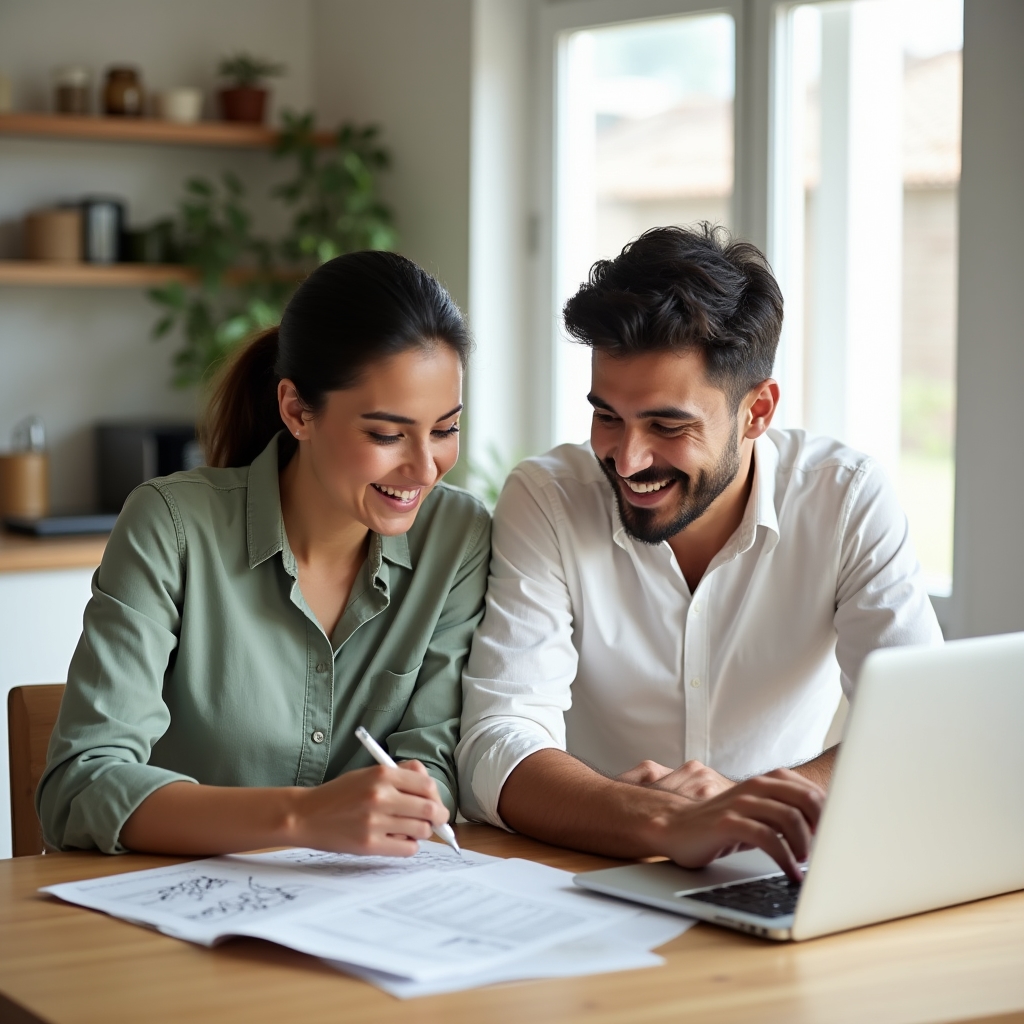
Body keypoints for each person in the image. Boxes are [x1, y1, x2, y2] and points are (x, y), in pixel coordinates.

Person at [457, 224, 942, 880]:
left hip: (777, 873)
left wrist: (748, 809)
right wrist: (669, 822)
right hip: (592, 874)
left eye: (667, 425)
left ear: (757, 412)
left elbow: (920, 728)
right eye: (607, 416)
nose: (627, 460)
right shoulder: (547, 499)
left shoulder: (844, 498)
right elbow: (496, 746)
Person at [39, 251, 490, 858]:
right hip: (165, 920)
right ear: (297, 411)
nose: (423, 467)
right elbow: (81, 786)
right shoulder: (171, 527)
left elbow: (431, 761)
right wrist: (303, 817)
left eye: (444, 430)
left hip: (362, 916)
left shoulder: (456, 536)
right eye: (386, 434)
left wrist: (414, 800)